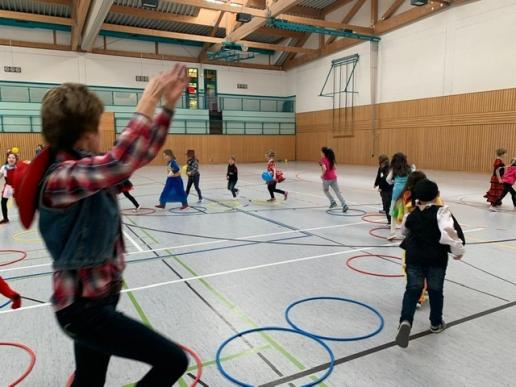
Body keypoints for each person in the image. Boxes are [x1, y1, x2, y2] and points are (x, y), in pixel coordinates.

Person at [21, 65, 189, 386]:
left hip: (99, 301)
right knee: (173, 361)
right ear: (86, 134)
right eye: (98, 127)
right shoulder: (62, 177)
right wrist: (148, 102)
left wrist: (167, 107)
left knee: (89, 378)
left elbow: (140, 154)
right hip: (83, 311)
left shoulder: (85, 172)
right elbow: (120, 160)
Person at [395, 179, 465, 348]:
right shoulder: (442, 213)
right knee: (435, 291)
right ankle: (435, 323)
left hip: (414, 258)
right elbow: (450, 232)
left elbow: (403, 232)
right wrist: (458, 251)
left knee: (412, 290)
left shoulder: (410, 215)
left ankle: (405, 321)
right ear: (437, 195)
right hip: (436, 260)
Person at [386, 153, 412, 240]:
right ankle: (406, 232)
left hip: (396, 194)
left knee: (393, 213)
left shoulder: (394, 169)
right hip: (406, 193)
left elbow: (388, 179)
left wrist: (394, 183)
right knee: (406, 213)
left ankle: (392, 233)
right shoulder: (409, 168)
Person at [320, 147, 349, 212]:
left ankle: (332, 202)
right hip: (334, 177)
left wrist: (322, 175)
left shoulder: (323, 159)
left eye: (321, 152)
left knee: (325, 190)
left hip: (327, 178)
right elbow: (334, 168)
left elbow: (324, 169)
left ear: (323, 153)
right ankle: (344, 205)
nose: (320, 153)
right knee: (337, 192)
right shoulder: (330, 158)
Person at [374, 154, 393, 224]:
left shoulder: (388, 168)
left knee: (387, 205)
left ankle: (390, 220)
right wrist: (376, 184)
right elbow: (378, 177)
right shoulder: (381, 168)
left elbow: (385, 179)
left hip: (387, 189)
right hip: (385, 189)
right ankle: (387, 214)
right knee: (386, 203)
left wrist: (381, 187)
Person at [0, 151, 18, 224]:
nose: (11, 159)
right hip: (7, 187)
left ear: (16, 159)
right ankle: (5, 218)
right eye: (9, 157)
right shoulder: (4, 167)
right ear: (7, 159)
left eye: (13, 158)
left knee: (22, 202)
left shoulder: (18, 167)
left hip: (17, 187)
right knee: (3, 202)